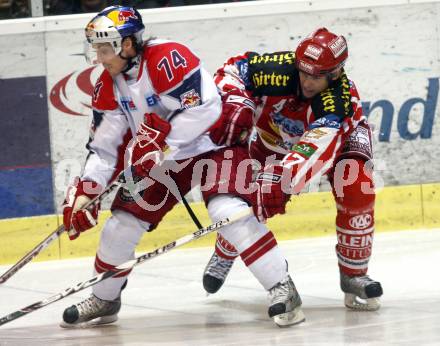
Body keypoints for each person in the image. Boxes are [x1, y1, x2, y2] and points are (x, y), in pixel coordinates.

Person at [60, 5, 304, 328]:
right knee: (120, 224)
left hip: (212, 145)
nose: (100, 58)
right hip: (163, 161)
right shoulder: (108, 87)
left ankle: (282, 288)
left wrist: (161, 143)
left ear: (128, 45)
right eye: (97, 49)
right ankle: (105, 298)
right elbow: (105, 150)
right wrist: (87, 190)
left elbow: (207, 108)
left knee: (227, 211)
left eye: (106, 49)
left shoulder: (167, 58)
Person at [203, 28, 383, 311]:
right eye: (304, 73)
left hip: (339, 141)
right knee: (245, 196)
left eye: (317, 76)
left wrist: (283, 178)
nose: (308, 83)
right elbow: (230, 70)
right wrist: (239, 101)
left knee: (358, 184)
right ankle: (226, 249)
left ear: (335, 73)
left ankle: (354, 275)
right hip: (271, 141)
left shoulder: (339, 100)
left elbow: (316, 149)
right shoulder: (275, 69)